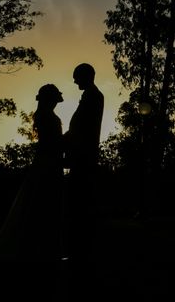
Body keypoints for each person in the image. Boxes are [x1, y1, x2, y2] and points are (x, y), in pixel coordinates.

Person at [0, 83, 65, 262]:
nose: (55, 103)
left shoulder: (44, 116)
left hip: (46, 161)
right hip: (48, 162)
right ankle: (39, 248)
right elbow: (52, 143)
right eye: (53, 99)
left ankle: (38, 247)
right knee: (42, 202)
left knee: (38, 202)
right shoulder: (48, 117)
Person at [63, 63, 104, 265]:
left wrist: (65, 143)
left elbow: (83, 127)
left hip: (83, 156)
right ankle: (80, 249)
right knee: (78, 202)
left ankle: (81, 251)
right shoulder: (90, 96)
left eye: (76, 76)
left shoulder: (93, 96)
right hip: (81, 154)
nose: (74, 81)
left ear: (86, 76)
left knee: (79, 203)